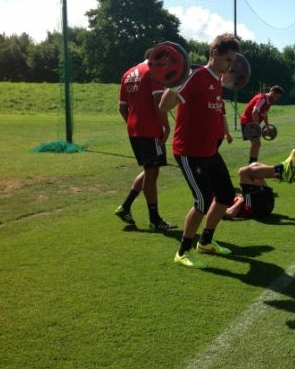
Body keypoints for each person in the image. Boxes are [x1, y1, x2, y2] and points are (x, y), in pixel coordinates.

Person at [159, 33, 240, 268]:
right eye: (228, 60)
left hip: (209, 152)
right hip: (188, 151)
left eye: (233, 61)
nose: (230, 66)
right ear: (214, 54)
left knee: (225, 195)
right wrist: (175, 82)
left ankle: (205, 242)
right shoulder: (196, 76)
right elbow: (164, 106)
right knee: (203, 200)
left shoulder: (216, 80)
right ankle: (183, 251)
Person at [115, 48, 176, 231]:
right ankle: (154, 220)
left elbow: (122, 107)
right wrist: (166, 127)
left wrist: (133, 124)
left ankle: (125, 207)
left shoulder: (127, 74)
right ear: (153, 58)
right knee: (152, 173)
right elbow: (159, 103)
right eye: (163, 61)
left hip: (134, 129)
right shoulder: (152, 72)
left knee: (150, 169)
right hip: (151, 129)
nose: (165, 65)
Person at [223, 149, 295, 219]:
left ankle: (280, 175)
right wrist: (242, 198)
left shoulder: (217, 196)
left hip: (262, 201)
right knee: (242, 172)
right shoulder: (214, 205)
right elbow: (230, 213)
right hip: (252, 208)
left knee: (254, 164)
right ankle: (280, 169)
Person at [240, 85, 284, 164]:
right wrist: (258, 127)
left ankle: (252, 163)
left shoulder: (268, 102)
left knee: (257, 143)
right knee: (256, 143)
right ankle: (252, 165)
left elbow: (264, 115)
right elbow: (254, 112)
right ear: (272, 93)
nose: (277, 99)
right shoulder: (262, 98)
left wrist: (267, 126)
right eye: (277, 97)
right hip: (247, 123)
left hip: (251, 123)